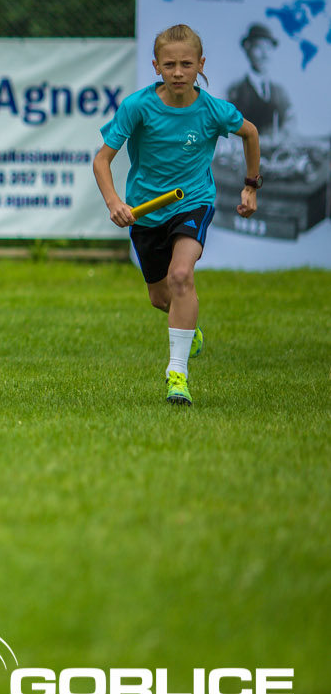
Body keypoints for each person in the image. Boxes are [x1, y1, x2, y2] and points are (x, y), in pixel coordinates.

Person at [92, 23, 261, 407]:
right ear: (156, 67)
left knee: (181, 276)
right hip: (145, 211)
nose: (179, 72)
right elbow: (102, 160)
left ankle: (177, 376)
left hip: (193, 201)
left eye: (187, 64)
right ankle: (188, 326)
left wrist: (251, 186)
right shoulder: (138, 106)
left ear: (201, 64)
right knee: (161, 297)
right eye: (170, 65)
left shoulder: (214, 110)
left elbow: (250, 133)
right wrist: (114, 202)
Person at [225, 23, 293, 138]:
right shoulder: (235, 91)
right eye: (259, 47)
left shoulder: (280, 92)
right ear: (248, 49)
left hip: (277, 148)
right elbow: (227, 127)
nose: (265, 54)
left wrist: (282, 136)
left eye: (268, 48)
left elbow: (290, 123)